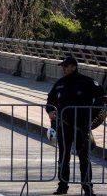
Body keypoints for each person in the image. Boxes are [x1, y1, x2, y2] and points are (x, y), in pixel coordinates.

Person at [46, 56, 106, 196]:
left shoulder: (86, 82)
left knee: (84, 158)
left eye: (66, 66)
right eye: (62, 66)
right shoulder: (59, 83)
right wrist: (50, 111)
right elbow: (50, 99)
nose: (63, 68)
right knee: (63, 157)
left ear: (74, 66)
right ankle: (62, 186)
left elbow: (102, 98)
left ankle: (88, 188)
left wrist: (94, 118)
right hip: (63, 127)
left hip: (81, 127)